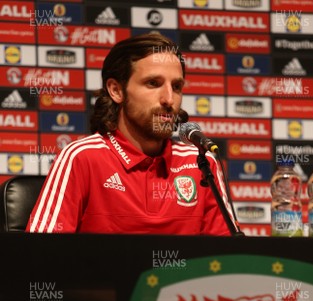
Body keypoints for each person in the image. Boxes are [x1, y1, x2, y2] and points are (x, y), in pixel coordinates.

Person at [26, 32, 233, 235]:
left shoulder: (201, 163)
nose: (169, 99)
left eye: (176, 86)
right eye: (153, 83)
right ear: (116, 90)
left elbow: (228, 259)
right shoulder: (82, 158)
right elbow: (39, 256)